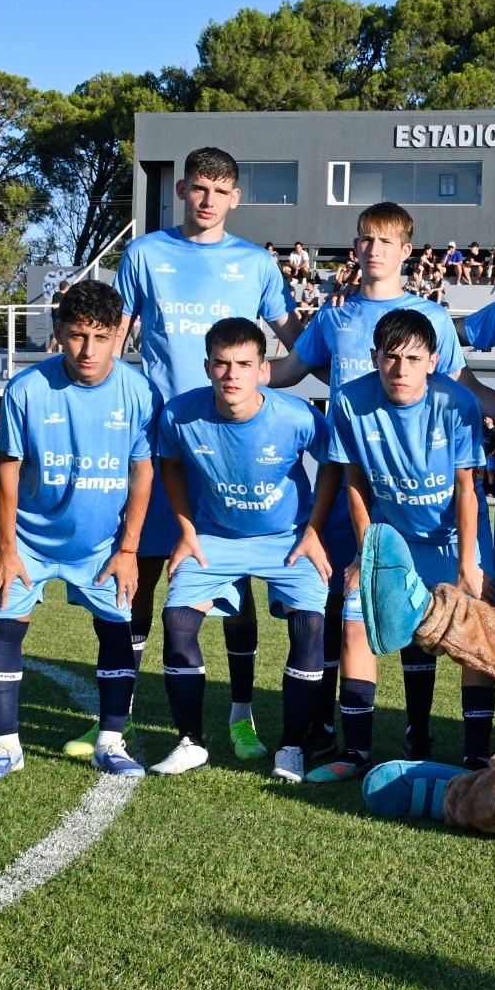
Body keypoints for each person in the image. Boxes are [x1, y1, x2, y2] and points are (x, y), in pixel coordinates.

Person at [98, 146, 301, 764]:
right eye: (199, 188)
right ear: (182, 190)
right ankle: (117, 720)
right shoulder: (146, 254)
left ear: (236, 197)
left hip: (234, 449)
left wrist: (303, 374)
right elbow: (112, 339)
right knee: (139, 576)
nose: (209, 199)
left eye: (222, 190)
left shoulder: (257, 263)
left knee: (233, 579)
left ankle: (241, 716)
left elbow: (294, 346)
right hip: (163, 444)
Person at [266, 201, 475, 764]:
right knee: (341, 603)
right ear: (354, 247)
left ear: (407, 251)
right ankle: (325, 729)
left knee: (410, 604)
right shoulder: (334, 316)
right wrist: (230, 367)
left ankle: (416, 729)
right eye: (363, 239)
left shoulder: (429, 318)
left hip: (408, 485)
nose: (372, 249)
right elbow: (288, 371)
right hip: (347, 477)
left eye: (384, 241)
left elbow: (453, 390)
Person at [0, 280, 156, 781]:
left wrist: (129, 549)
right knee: (6, 630)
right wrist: (7, 548)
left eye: (101, 336)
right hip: (28, 540)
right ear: (58, 333)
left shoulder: (139, 392)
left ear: (120, 333)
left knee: (116, 632)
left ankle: (110, 743)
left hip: (101, 546)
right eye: (77, 336)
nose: (88, 349)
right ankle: (5, 748)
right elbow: (7, 467)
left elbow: (143, 472)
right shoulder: (27, 390)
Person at [153, 317, 333, 780]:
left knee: (311, 627)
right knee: (177, 620)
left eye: (243, 364)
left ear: (262, 368)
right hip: (215, 538)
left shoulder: (296, 415)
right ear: (207, 366)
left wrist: (314, 529)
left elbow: (333, 465)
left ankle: (290, 746)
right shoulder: (179, 414)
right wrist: (186, 529)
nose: (232, 374)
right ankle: (191, 742)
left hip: (287, 539)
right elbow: (169, 464)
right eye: (222, 364)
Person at [316, 310, 487, 779]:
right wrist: (365, 551)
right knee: (355, 621)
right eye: (390, 358)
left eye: (413, 358)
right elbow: (355, 486)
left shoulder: (458, 403)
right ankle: (356, 753)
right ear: (374, 358)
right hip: (391, 540)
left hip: (452, 538)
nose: (401, 369)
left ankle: (475, 753)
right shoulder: (351, 402)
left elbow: (467, 489)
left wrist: (468, 564)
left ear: (433, 360)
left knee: (470, 632)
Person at [46, 280, 69, 353]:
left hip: (64, 317)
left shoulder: (66, 296)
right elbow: (54, 306)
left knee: (62, 335)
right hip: (57, 317)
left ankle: (59, 351)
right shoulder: (57, 295)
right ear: (66, 287)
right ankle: (49, 348)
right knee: (58, 334)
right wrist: (64, 303)